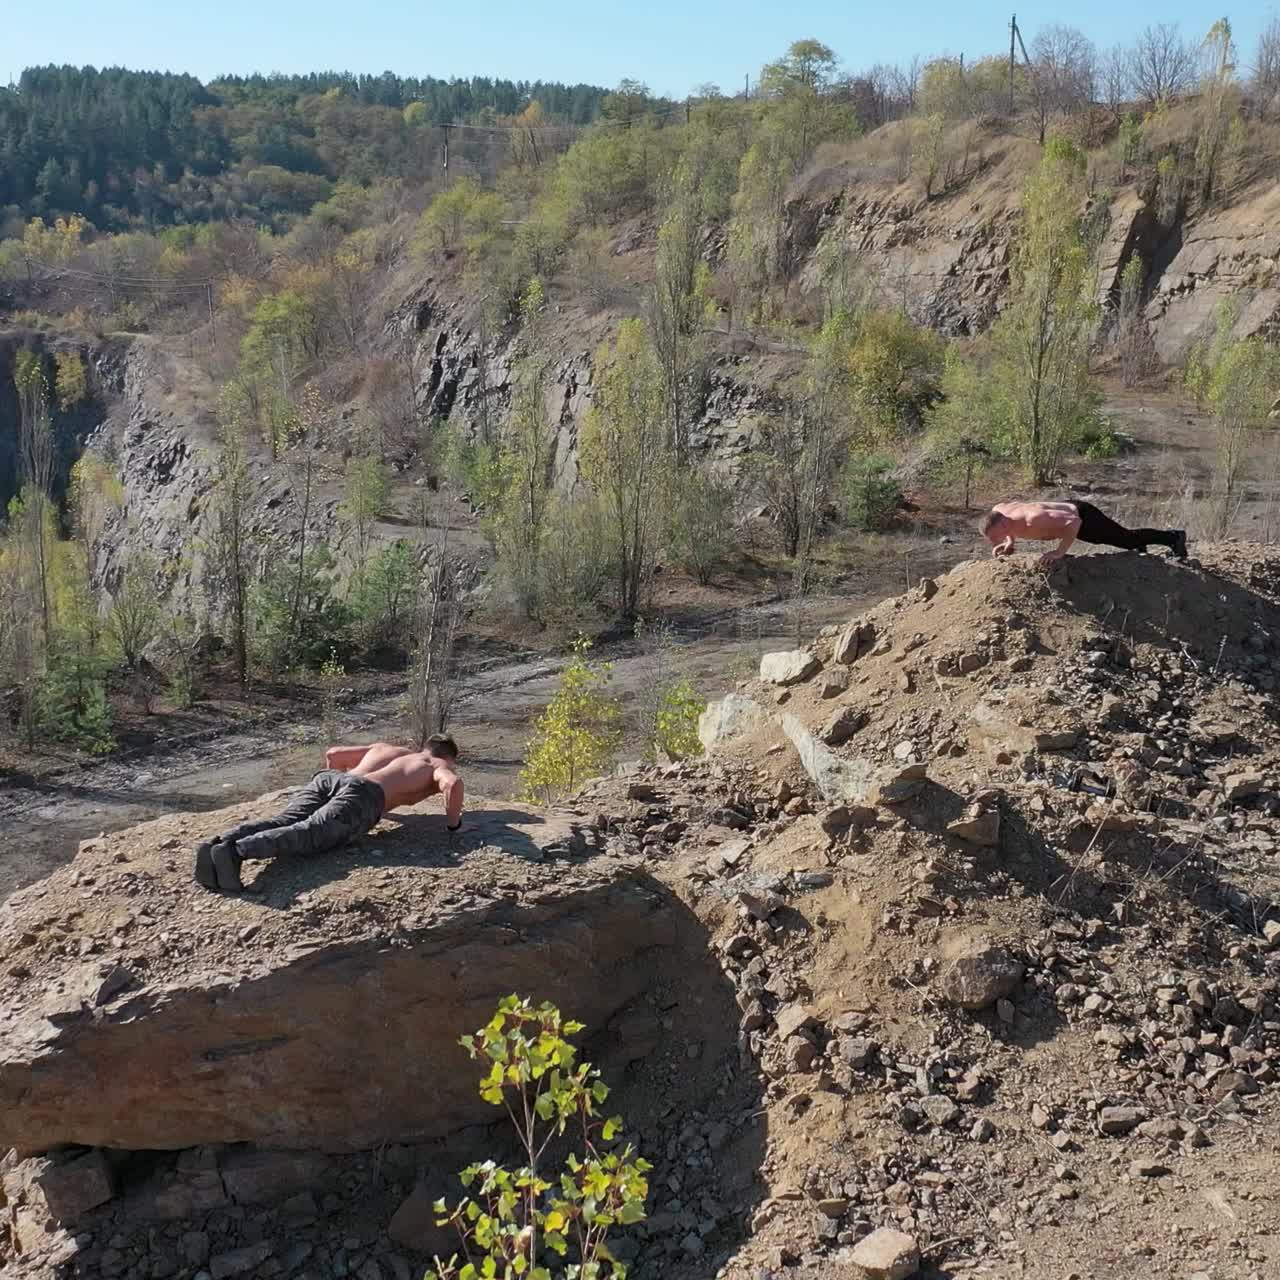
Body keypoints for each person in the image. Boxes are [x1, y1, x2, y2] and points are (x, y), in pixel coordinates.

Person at [194, 735, 465, 892]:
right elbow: (452, 784)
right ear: (450, 756)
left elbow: (334, 755)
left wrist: (342, 789)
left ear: (425, 744)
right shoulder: (436, 765)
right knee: (311, 833)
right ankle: (236, 852)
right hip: (363, 794)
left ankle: (219, 844)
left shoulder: (389, 749)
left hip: (331, 779)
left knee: (285, 820)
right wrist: (454, 827)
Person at [979, 499, 1187, 568]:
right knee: (1122, 539)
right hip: (1062, 512)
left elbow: (1074, 523)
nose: (994, 541)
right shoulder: (1000, 511)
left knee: (1126, 538)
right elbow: (1007, 527)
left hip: (1082, 516)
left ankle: (1174, 538)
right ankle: (1139, 548)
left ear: (1004, 523)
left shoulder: (1034, 519)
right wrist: (1008, 542)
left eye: (997, 536)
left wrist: (1059, 552)